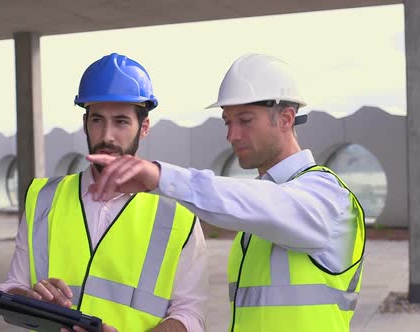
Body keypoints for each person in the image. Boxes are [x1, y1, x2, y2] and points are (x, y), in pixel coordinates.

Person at [87, 54, 366, 332]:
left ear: (286, 119)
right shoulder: (258, 219)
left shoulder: (328, 199)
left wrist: (160, 176)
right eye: (227, 122)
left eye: (244, 120)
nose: (232, 135)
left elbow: (265, 203)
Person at [0, 53, 208, 332]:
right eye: (97, 120)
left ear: (143, 127)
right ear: (85, 123)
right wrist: (36, 299)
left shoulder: (179, 215)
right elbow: (13, 288)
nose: (107, 135)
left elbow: (190, 315)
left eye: (121, 121)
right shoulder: (43, 198)